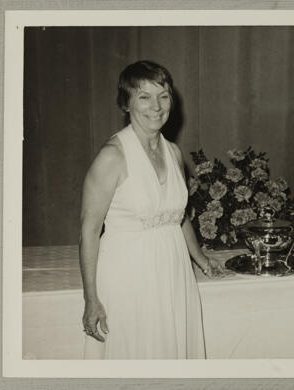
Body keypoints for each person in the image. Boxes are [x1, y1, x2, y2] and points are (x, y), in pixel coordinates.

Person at [79, 60, 222, 359]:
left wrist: (201, 259)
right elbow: (89, 232)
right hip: (129, 274)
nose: (156, 106)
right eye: (144, 96)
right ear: (126, 103)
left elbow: (177, 217)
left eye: (164, 95)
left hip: (173, 269)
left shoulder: (173, 151)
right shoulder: (112, 156)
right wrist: (91, 299)